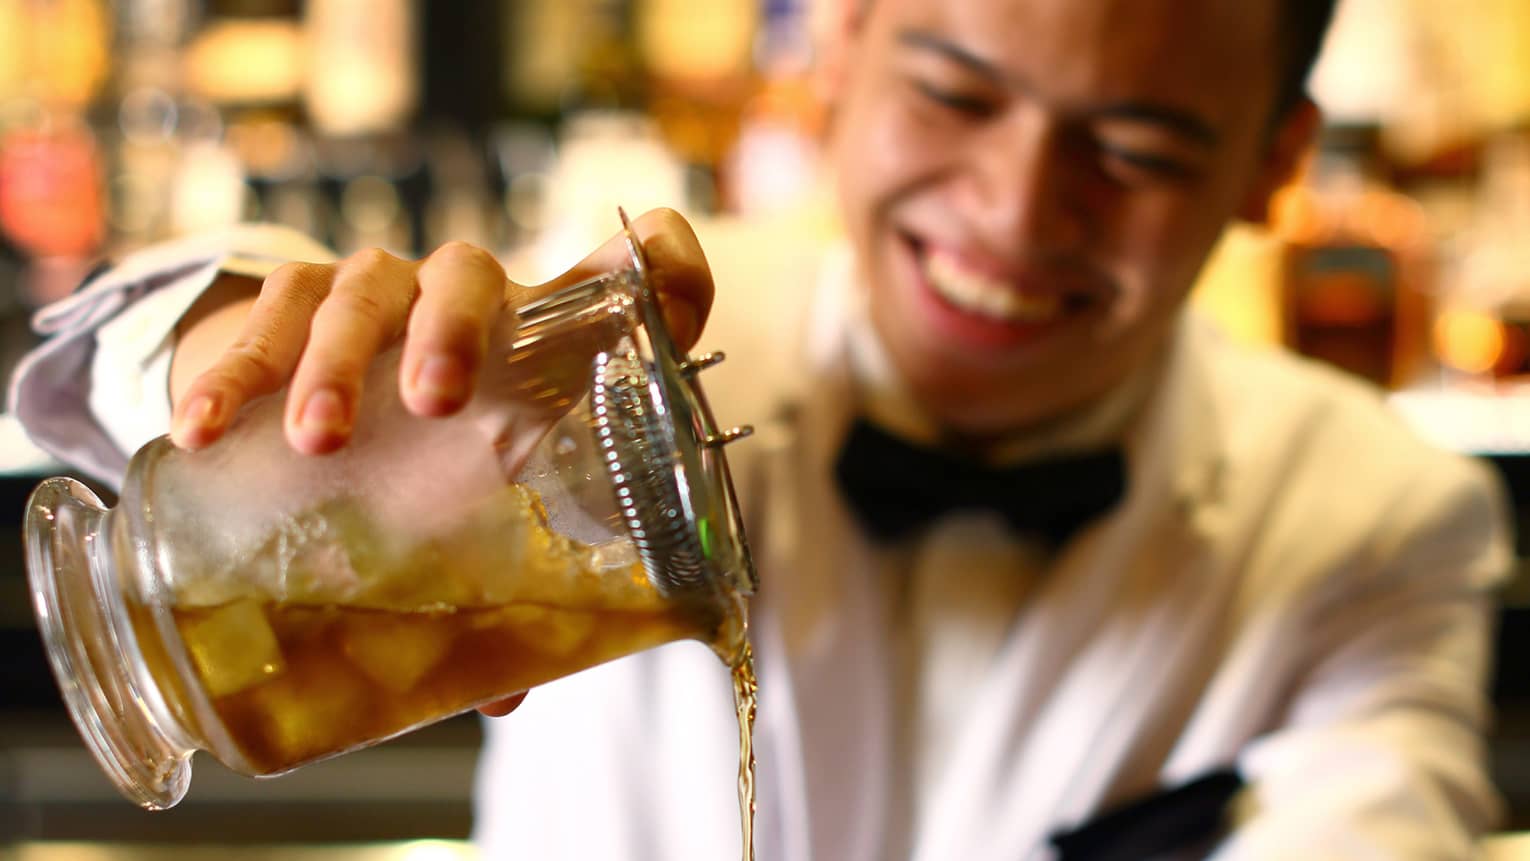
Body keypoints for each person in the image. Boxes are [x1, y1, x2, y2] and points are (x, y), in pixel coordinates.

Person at [7, 0, 1514, 857]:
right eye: (951, 92)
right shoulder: (613, 328)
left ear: (1275, 164)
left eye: (1131, 149)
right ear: (838, 54)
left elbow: (1374, 829)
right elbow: (154, 320)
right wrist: (227, 342)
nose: (1015, 209)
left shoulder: (1379, 514)